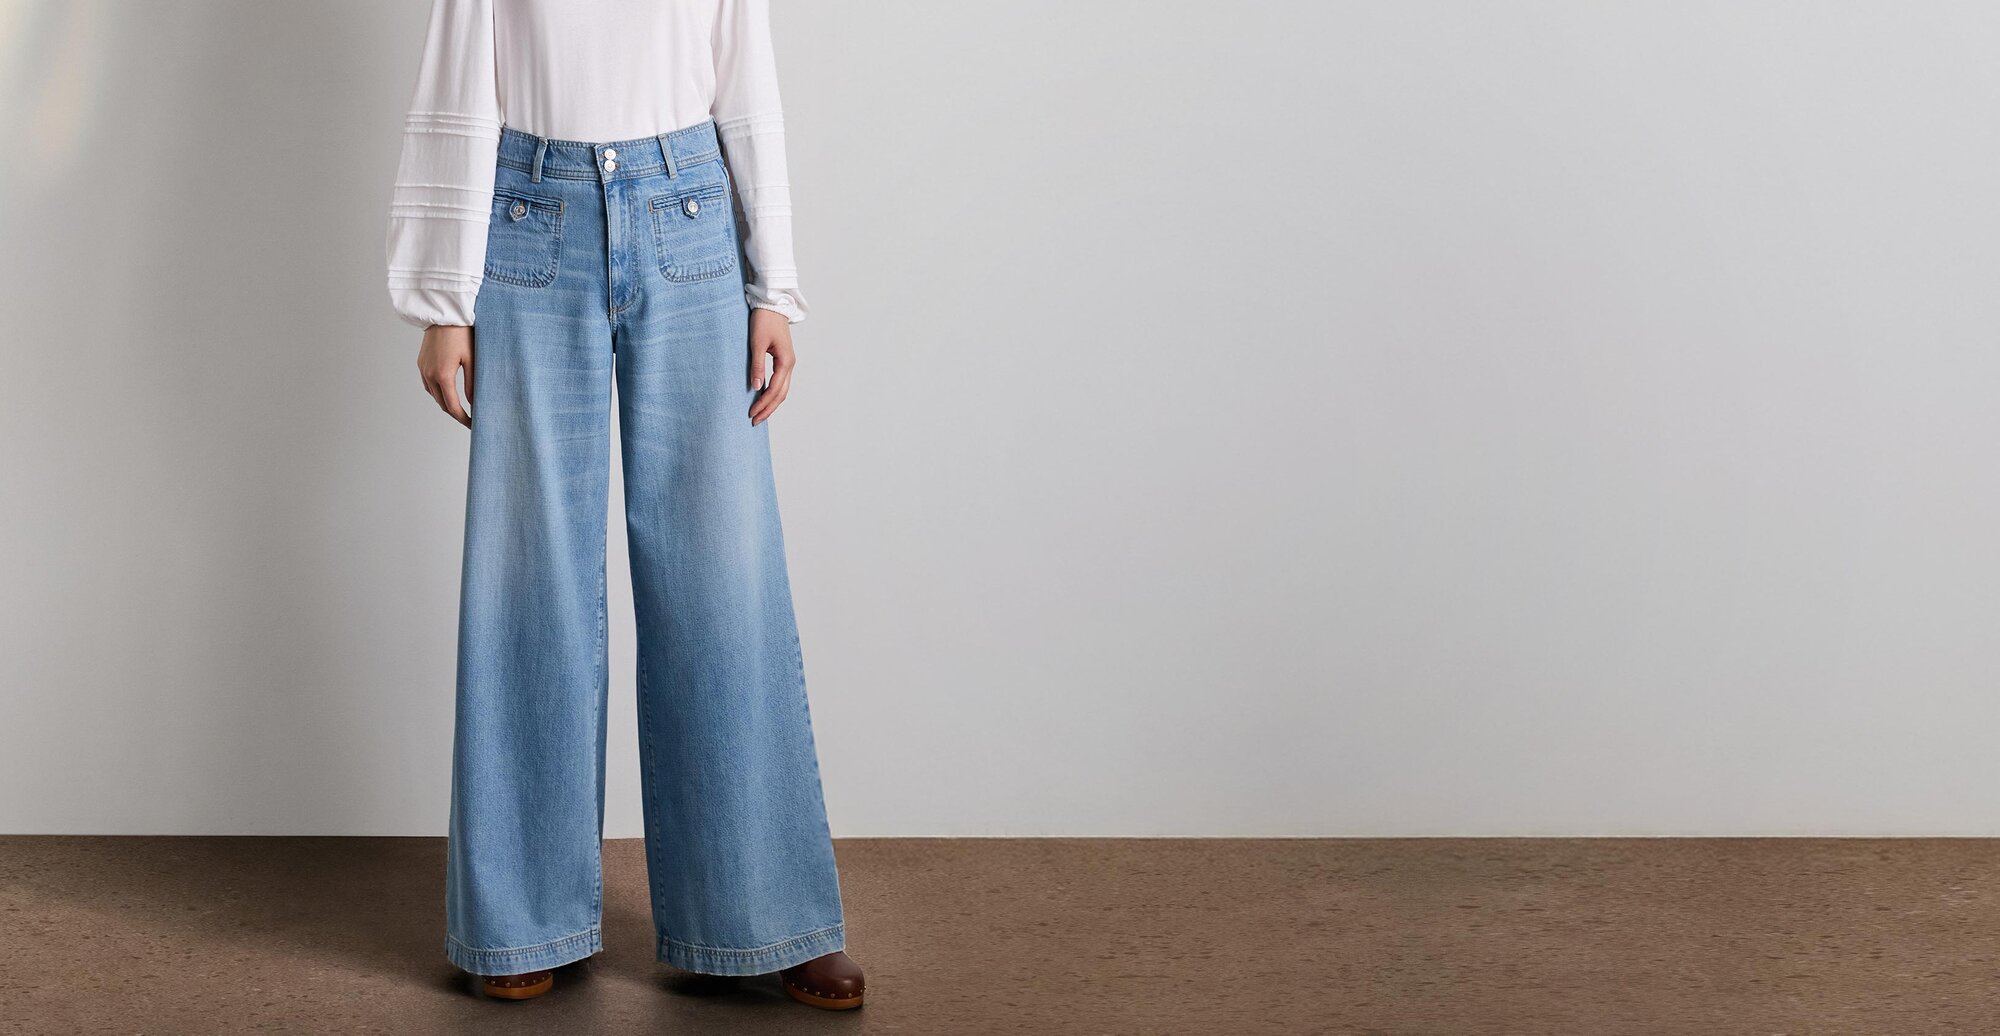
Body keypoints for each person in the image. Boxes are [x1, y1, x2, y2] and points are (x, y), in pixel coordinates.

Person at [384, 0, 862, 1009]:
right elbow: (459, 80)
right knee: (526, 571)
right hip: (530, 214)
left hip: (684, 207)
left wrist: (773, 281)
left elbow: (744, 81)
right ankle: (518, 923)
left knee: (720, 567)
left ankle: (764, 916)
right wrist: (441, 299)